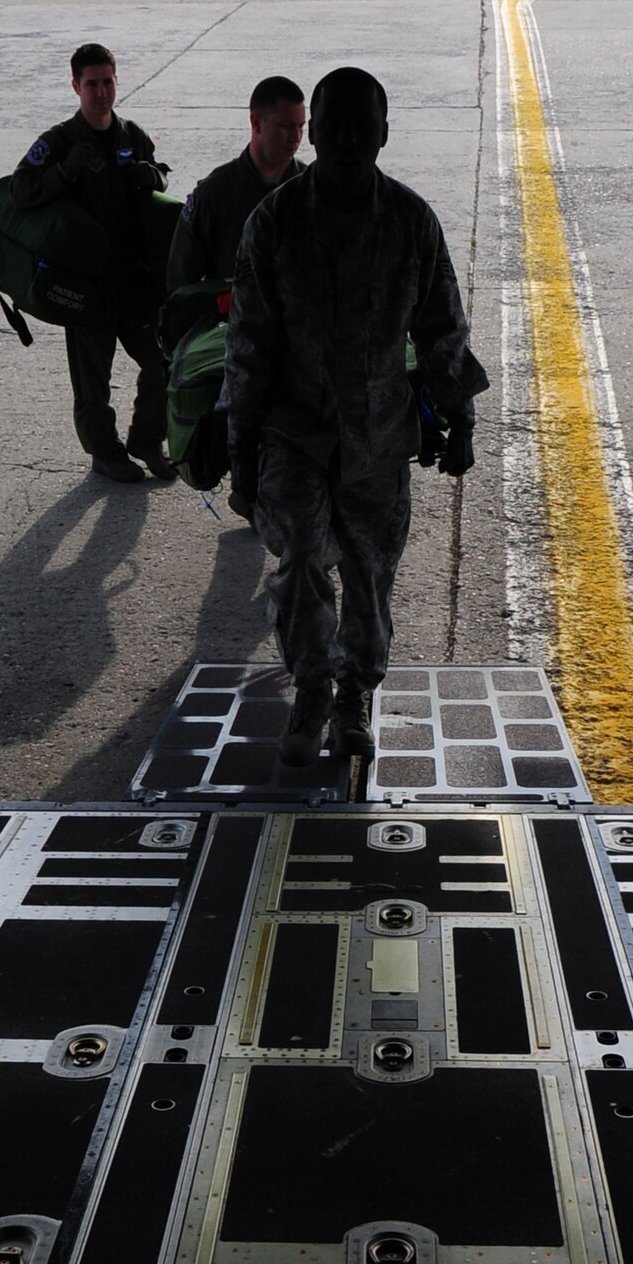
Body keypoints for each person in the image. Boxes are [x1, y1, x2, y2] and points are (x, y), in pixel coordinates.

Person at [225, 65, 487, 767]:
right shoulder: (275, 223)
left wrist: (458, 421)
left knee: (370, 576)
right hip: (295, 432)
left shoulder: (409, 221)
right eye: (331, 125)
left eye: (360, 125)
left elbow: (442, 330)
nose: (345, 139)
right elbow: (248, 346)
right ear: (313, 133)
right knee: (302, 560)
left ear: (383, 134)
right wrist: (241, 453)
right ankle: (312, 688)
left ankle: (354, 694)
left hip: (377, 435)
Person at [11, 42, 174, 484]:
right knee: (92, 383)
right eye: (91, 84)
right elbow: (21, 191)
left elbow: (159, 169)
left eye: (107, 82)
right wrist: (64, 172)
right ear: (75, 87)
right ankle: (105, 452)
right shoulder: (59, 141)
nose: (100, 92)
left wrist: (153, 175)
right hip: (86, 284)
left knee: (163, 364)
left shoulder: (131, 134)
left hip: (134, 282)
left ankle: (147, 440)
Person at [166, 75, 307, 292]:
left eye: (300, 127)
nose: (295, 137)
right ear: (256, 122)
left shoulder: (309, 188)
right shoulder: (215, 194)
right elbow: (181, 284)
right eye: (286, 126)